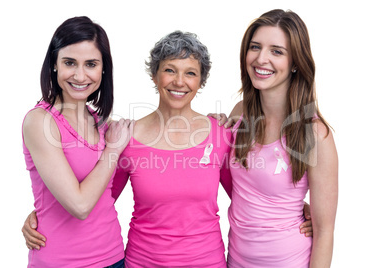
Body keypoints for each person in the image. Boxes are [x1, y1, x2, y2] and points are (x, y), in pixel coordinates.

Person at [22, 30, 313, 267]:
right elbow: (99, 197)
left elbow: (246, 190)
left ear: (201, 82)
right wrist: (43, 214)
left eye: (190, 73)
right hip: (140, 262)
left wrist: (291, 207)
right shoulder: (124, 137)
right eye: (169, 70)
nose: (179, 81)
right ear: (154, 76)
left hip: (207, 262)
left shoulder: (220, 134)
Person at [224, 9, 338, 267]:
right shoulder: (239, 113)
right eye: (255, 47)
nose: (261, 59)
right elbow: (239, 186)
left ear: (296, 62)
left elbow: (325, 232)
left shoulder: (314, 134)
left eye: (276, 51)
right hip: (236, 261)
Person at [21, 16, 133, 267]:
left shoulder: (101, 123)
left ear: (103, 69)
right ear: (54, 65)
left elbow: (104, 194)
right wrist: (113, 149)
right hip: (60, 261)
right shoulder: (40, 122)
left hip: (114, 257)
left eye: (91, 64)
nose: (80, 76)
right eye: (70, 63)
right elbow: (80, 206)